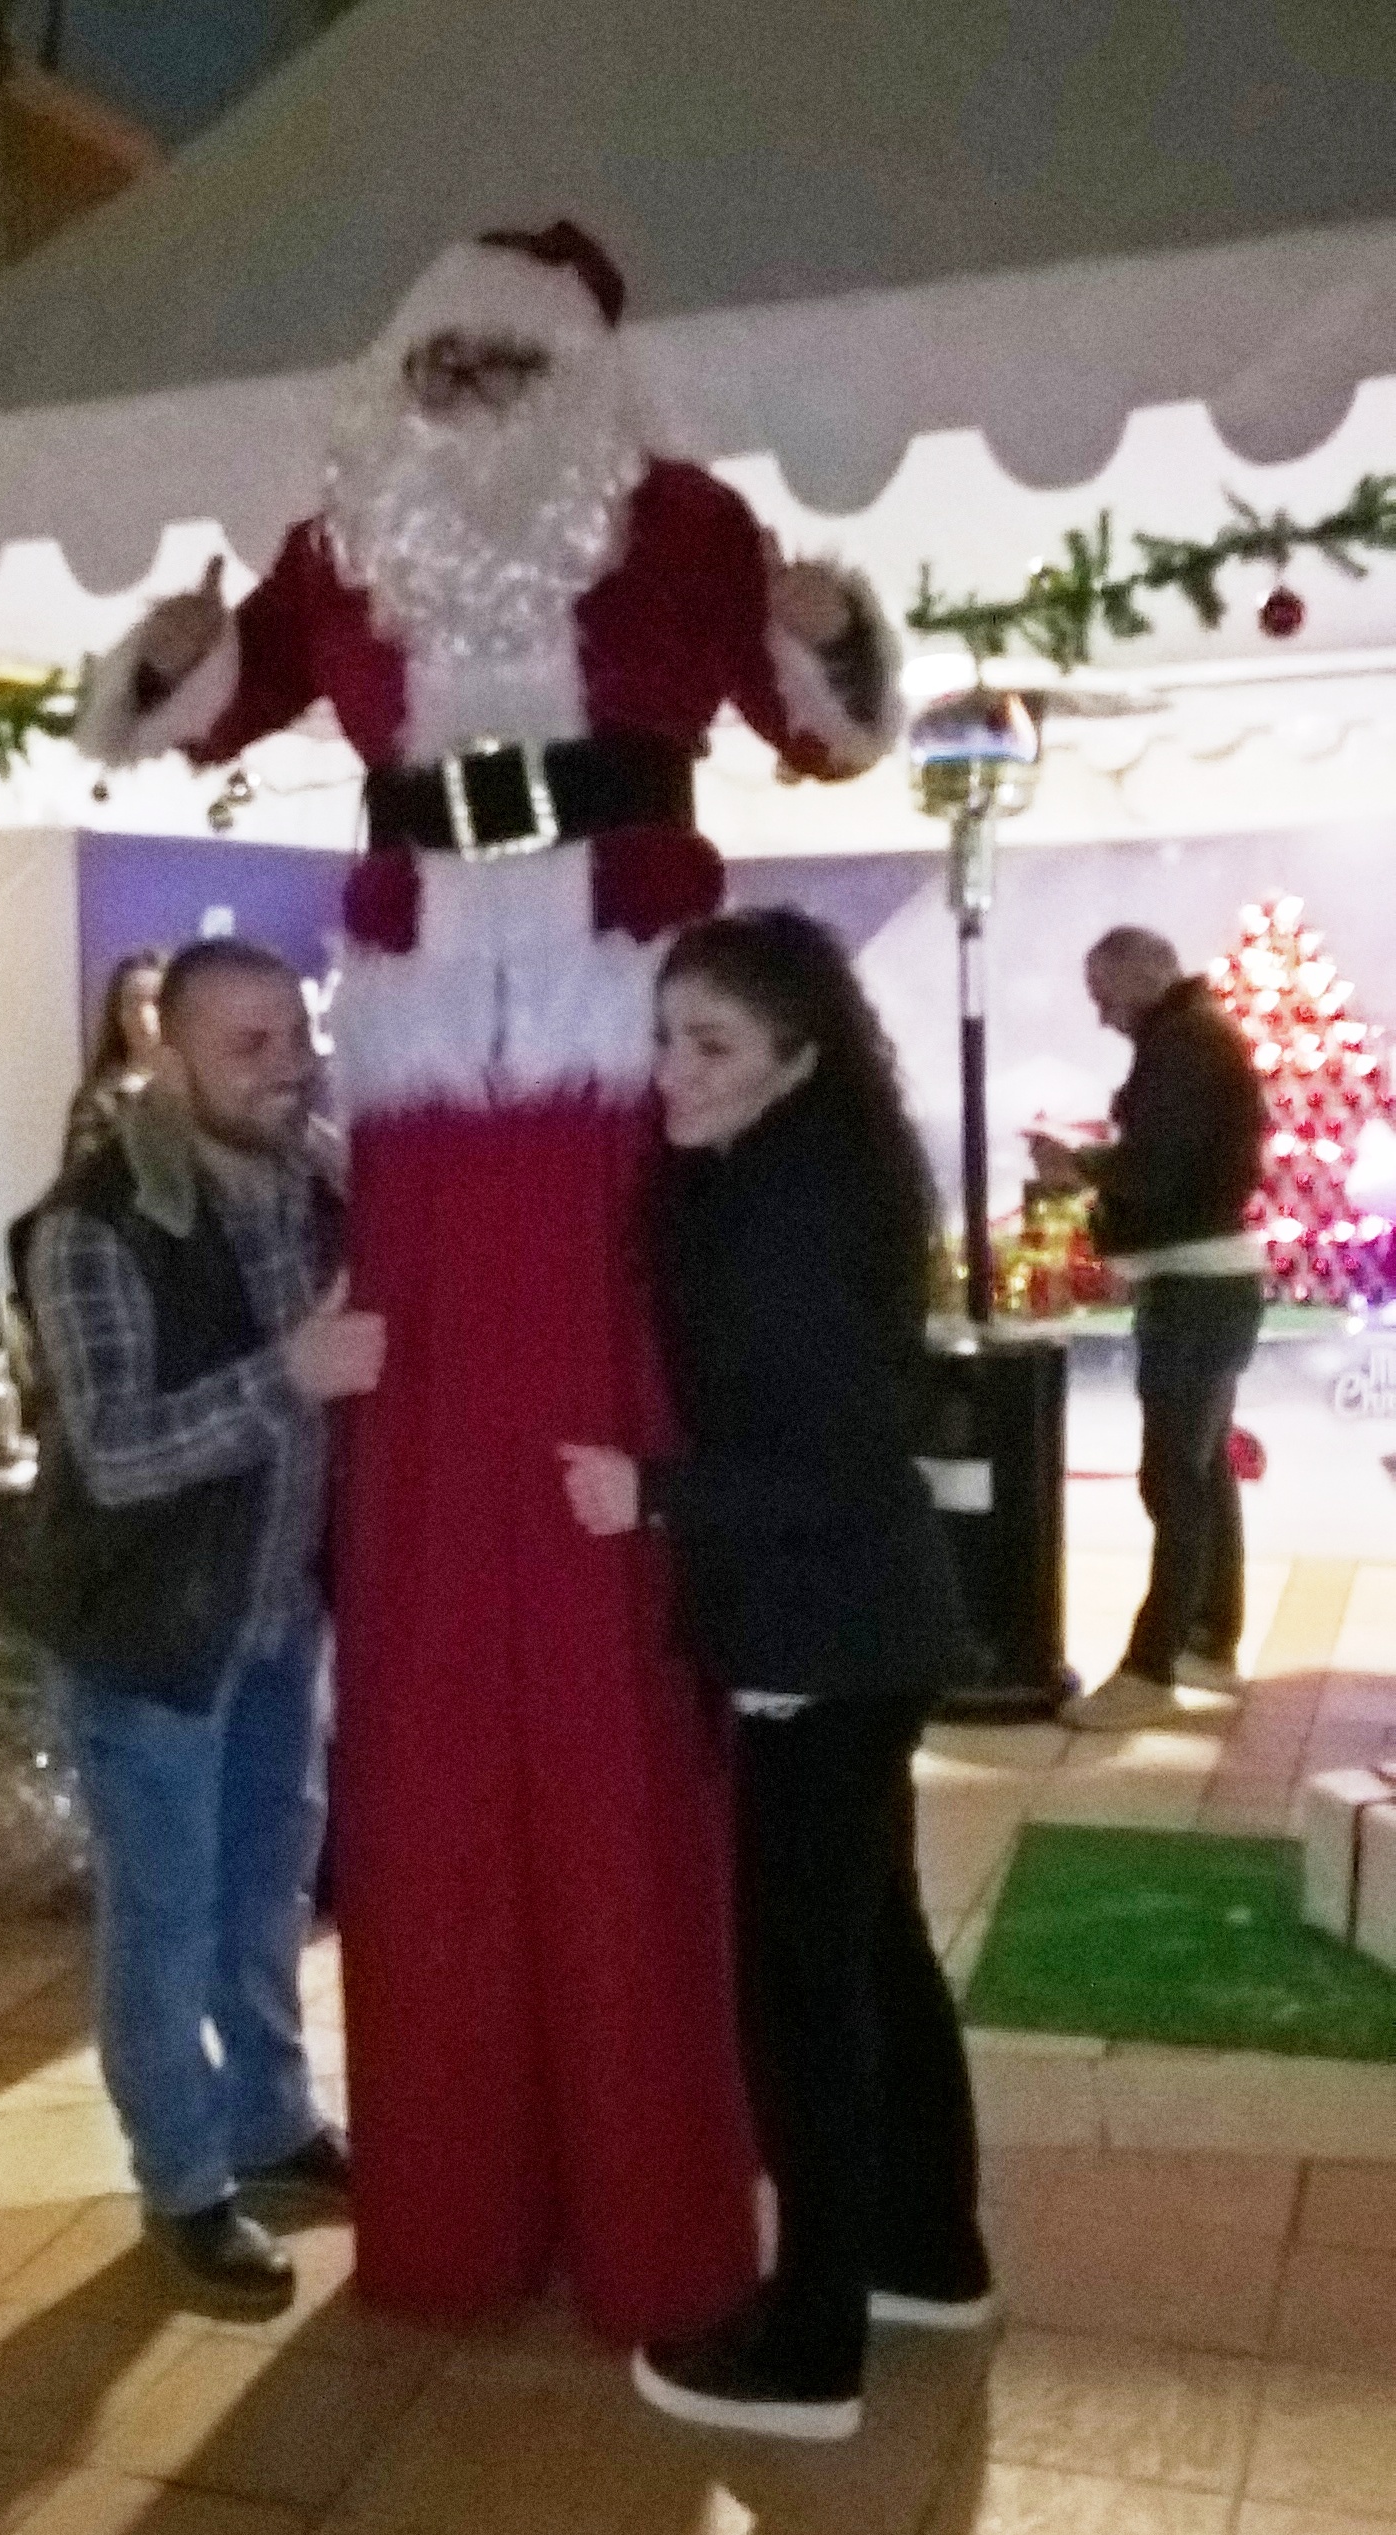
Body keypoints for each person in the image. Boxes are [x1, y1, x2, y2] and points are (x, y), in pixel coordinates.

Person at [77, 222, 901, 2345]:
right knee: (441, 1562)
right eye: (433, 359)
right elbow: (179, 711)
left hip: (617, 1025)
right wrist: (166, 660)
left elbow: (822, 726)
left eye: (497, 360)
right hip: (432, 1052)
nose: (460, 393)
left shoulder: (683, 527)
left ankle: (652, 2185)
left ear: (577, 374)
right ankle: (451, 2180)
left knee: (612, 1530)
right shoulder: (341, 551)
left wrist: (832, 644)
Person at [560, 909, 991, 2441]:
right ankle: (927, 2252)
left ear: (796, 1059)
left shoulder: (785, 1211)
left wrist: (655, 1491)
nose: (672, 1070)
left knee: (803, 1993)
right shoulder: (793, 1174)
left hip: (827, 1638)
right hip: (862, 1630)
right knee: (875, 1951)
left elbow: (844, 1452)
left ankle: (811, 2346)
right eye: (665, 1036)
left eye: (713, 1043)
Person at [16, 938, 383, 2307]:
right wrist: (293, 1373)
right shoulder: (95, 1221)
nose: (289, 1067)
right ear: (167, 1056)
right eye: (249, 1045)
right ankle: (181, 2178)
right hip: (152, 1630)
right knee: (165, 1917)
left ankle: (270, 2122)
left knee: (266, 1888)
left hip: (278, 1614)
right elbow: (115, 1452)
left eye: (297, 1034)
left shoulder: (317, 1180)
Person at [1029, 925, 1267, 1731]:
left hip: (1195, 1289)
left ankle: (1150, 1667)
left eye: (1104, 997)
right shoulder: (1198, 1038)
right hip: (1210, 1284)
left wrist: (1079, 1167)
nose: (1102, 1016)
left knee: (1172, 1479)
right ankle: (1208, 1639)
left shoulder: (1185, 1045)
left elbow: (1159, 1168)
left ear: (1144, 975)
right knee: (1201, 1470)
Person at [63, 949, 167, 1167]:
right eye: (133, 1003)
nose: (144, 1017)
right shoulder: (98, 1100)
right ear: (117, 1014)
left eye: (156, 1002)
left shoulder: (200, 1092)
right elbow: (81, 1177)